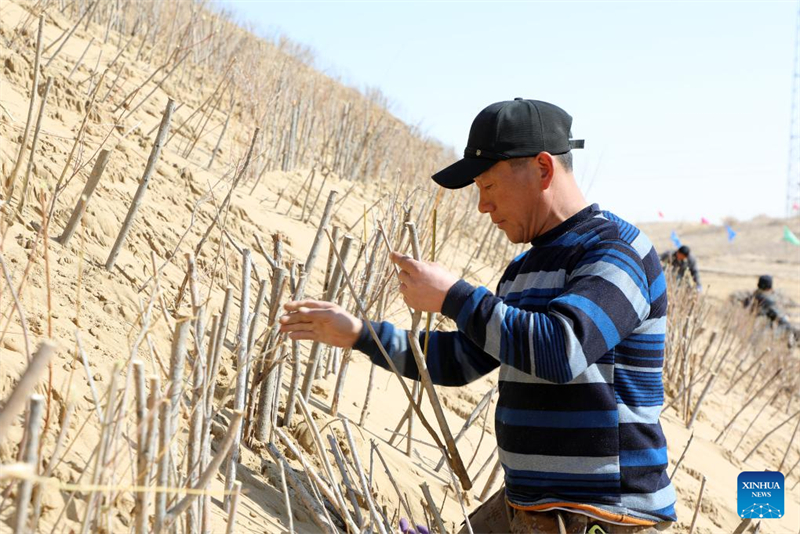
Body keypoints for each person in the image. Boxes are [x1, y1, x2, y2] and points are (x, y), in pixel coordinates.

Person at [279, 99, 676, 533]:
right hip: (532, 507)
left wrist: (454, 296)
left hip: (604, 515)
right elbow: (461, 360)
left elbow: (563, 350)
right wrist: (358, 334)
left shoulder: (615, 250)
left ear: (543, 169)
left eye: (488, 187)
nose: (483, 206)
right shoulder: (524, 270)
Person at [744, 275, 798, 341]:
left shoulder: (750, 298)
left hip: (747, 330)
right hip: (762, 333)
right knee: (790, 328)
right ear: (769, 288)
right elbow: (779, 318)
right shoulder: (766, 301)